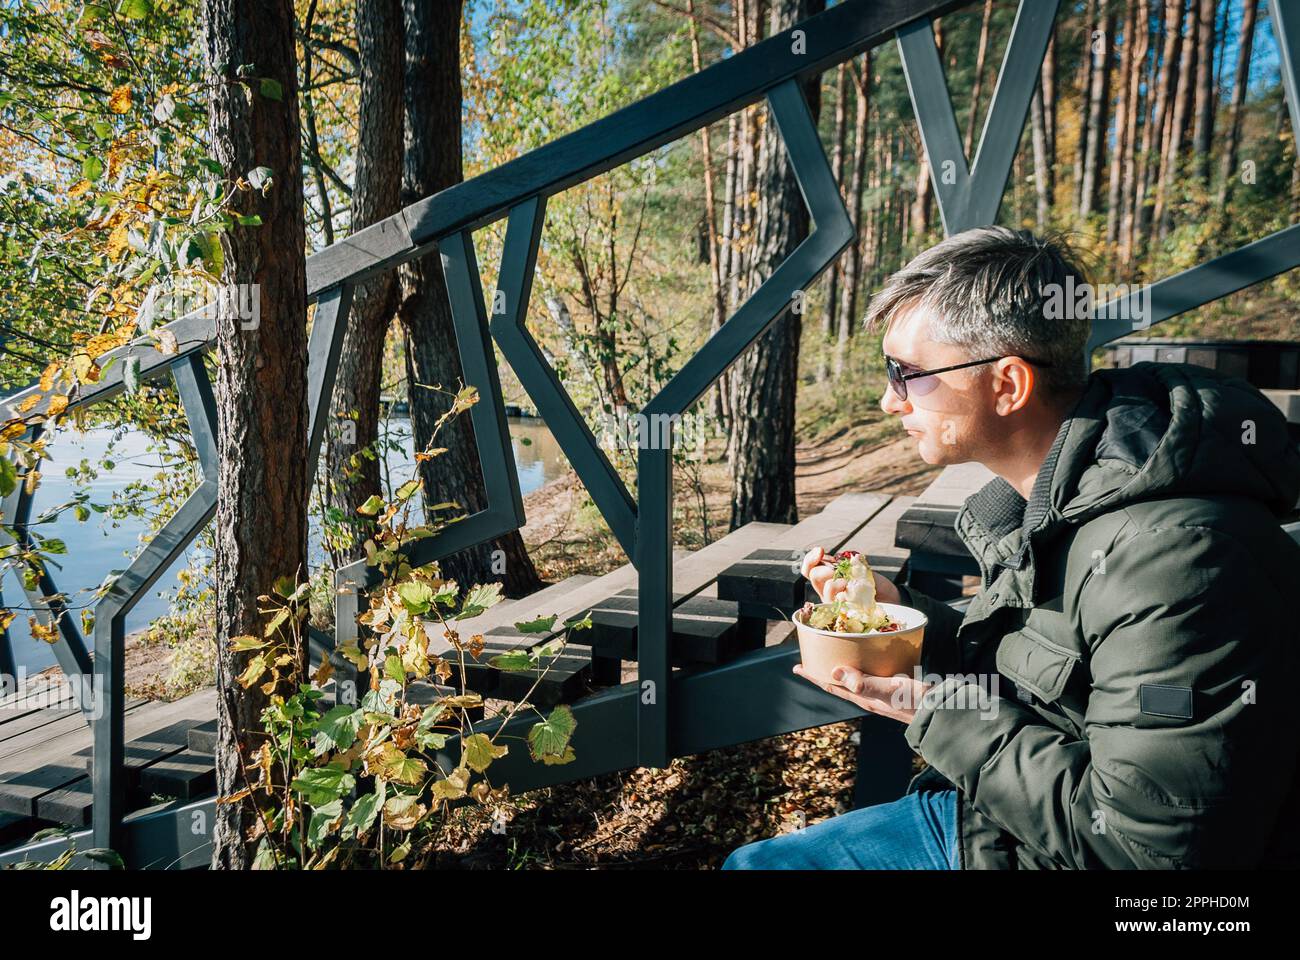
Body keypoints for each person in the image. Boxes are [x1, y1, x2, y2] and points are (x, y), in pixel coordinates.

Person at [722, 226, 1300, 870]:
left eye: (907, 374)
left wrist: (935, 709)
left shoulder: (1173, 560)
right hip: (1021, 815)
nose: (890, 401)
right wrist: (900, 619)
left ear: (1007, 385)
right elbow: (1047, 677)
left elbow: (1146, 853)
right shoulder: (1063, 496)